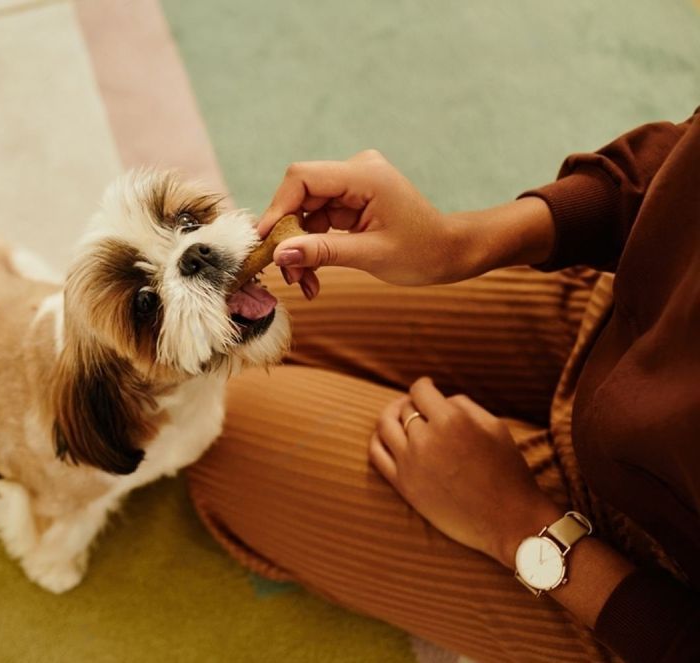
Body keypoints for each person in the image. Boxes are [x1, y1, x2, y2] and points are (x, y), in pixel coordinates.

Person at [187, 110, 699, 662]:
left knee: (218, 429)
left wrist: (519, 526)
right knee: (244, 329)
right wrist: (460, 242)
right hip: (634, 318)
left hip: (652, 585)